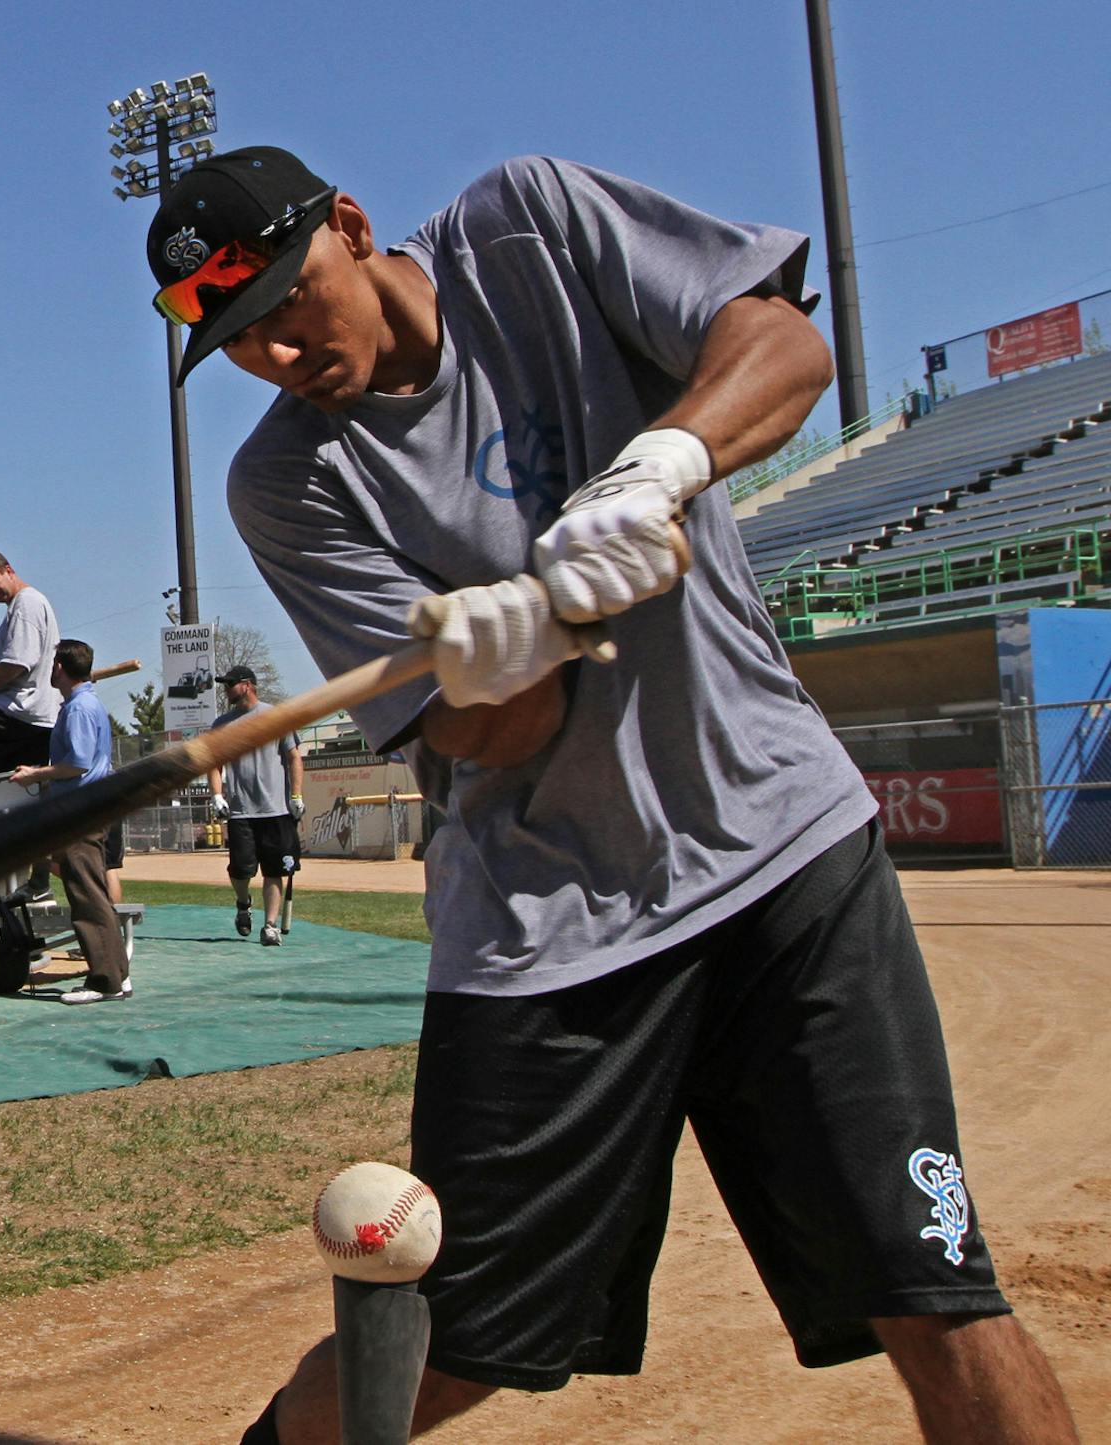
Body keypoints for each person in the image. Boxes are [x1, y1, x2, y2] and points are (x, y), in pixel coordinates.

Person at [140, 148, 1075, 1441]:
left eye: (286, 305)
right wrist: (519, 638)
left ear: (350, 227)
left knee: (940, 1297)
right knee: (443, 1347)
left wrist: (660, 467)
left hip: (782, 854)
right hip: (550, 936)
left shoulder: (527, 229)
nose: (277, 357)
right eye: (238, 343)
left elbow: (785, 349)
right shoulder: (286, 484)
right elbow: (499, 729)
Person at [9, 639, 128, 1003]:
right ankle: (117, 976)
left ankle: (103, 981)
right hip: (88, 808)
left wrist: (35, 775)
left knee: (87, 896)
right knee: (92, 891)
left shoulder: (78, 708)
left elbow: (75, 763)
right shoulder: (87, 703)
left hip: (80, 812)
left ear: (59, 667)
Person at [205, 666, 303, 947]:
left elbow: (294, 758)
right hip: (241, 811)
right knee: (240, 871)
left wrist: (296, 797)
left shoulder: (276, 717)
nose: (226, 689)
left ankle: (270, 925)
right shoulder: (222, 724)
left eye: (230, 684)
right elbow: (214, 764)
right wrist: (217, 795)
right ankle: (242, 903)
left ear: (247, 685)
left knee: (274, 871)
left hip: (276, 810)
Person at [0, 549, 61, 774]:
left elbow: (16, 665)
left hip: (19, 711)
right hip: (33, 716)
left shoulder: (26, 604)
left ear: (8, 570)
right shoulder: (25, 604)